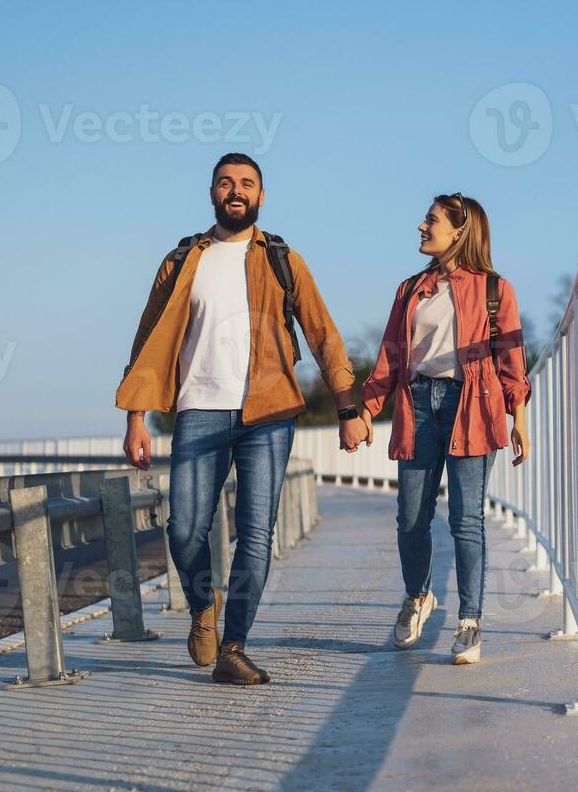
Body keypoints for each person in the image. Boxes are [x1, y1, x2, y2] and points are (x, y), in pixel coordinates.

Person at [116, 153, 369, 685]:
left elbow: (322, 333)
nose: (236, 191)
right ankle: (202, 601)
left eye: (247, 184)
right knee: (185, 529)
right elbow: (147, 341)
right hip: (198, 410)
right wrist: (136, 417)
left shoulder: (282, 258)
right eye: (226, 183)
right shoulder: (182, 260)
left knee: (256, 533)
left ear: (261, 195)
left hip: (270, 411)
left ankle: (234, 646)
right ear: (211, 192)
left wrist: (349, 407)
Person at [357, 193, 531, 665]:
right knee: (411, 517)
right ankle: (418, 597)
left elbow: (511, 362)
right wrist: (365, 410)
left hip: (472, 405)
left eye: (430, 220)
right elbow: (392, 354)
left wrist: (520, 420)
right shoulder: (411, 288)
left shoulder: (496, 290)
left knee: (465, 519)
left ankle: (470, 622)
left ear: (459, 230)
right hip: (417, 404)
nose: (421, 226)